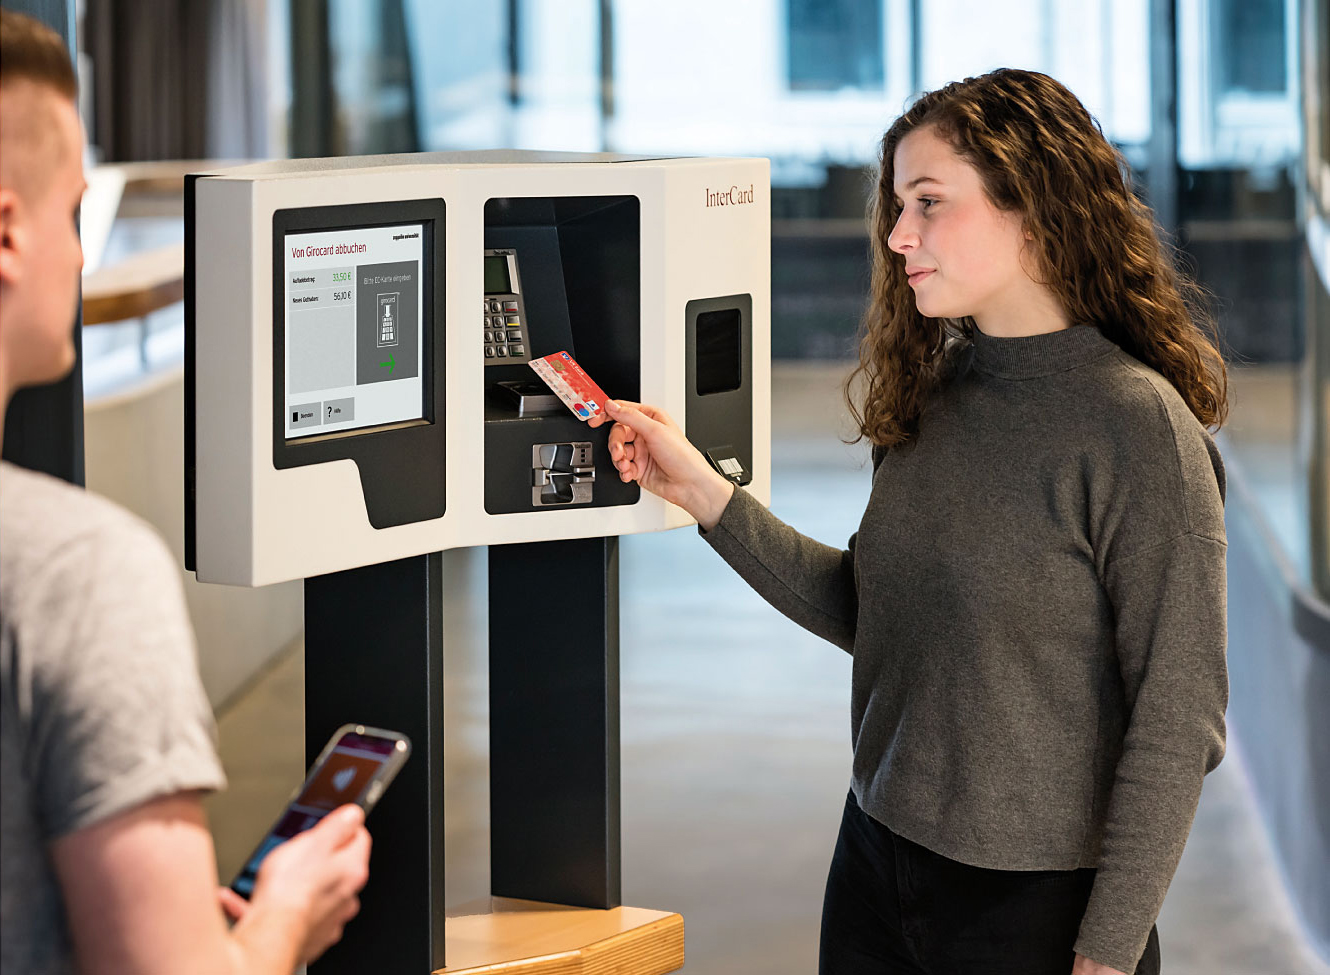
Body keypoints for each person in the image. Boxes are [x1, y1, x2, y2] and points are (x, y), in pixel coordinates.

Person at [591, 68, 1228, 975]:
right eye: (897, 206)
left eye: (929, 203)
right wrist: (702, 492)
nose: (899, 236)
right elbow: (882, 611)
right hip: (874, 863)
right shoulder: (938, 391)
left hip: (1036, 913)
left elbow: (1178, 720)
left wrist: (1108, 952)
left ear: (1035, 208)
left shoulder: (1138, 429)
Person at [0, 10, 371, 973]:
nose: (83, 255)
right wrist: (283, 921)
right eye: (71, 213)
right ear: (6, 230)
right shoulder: (77, 575)